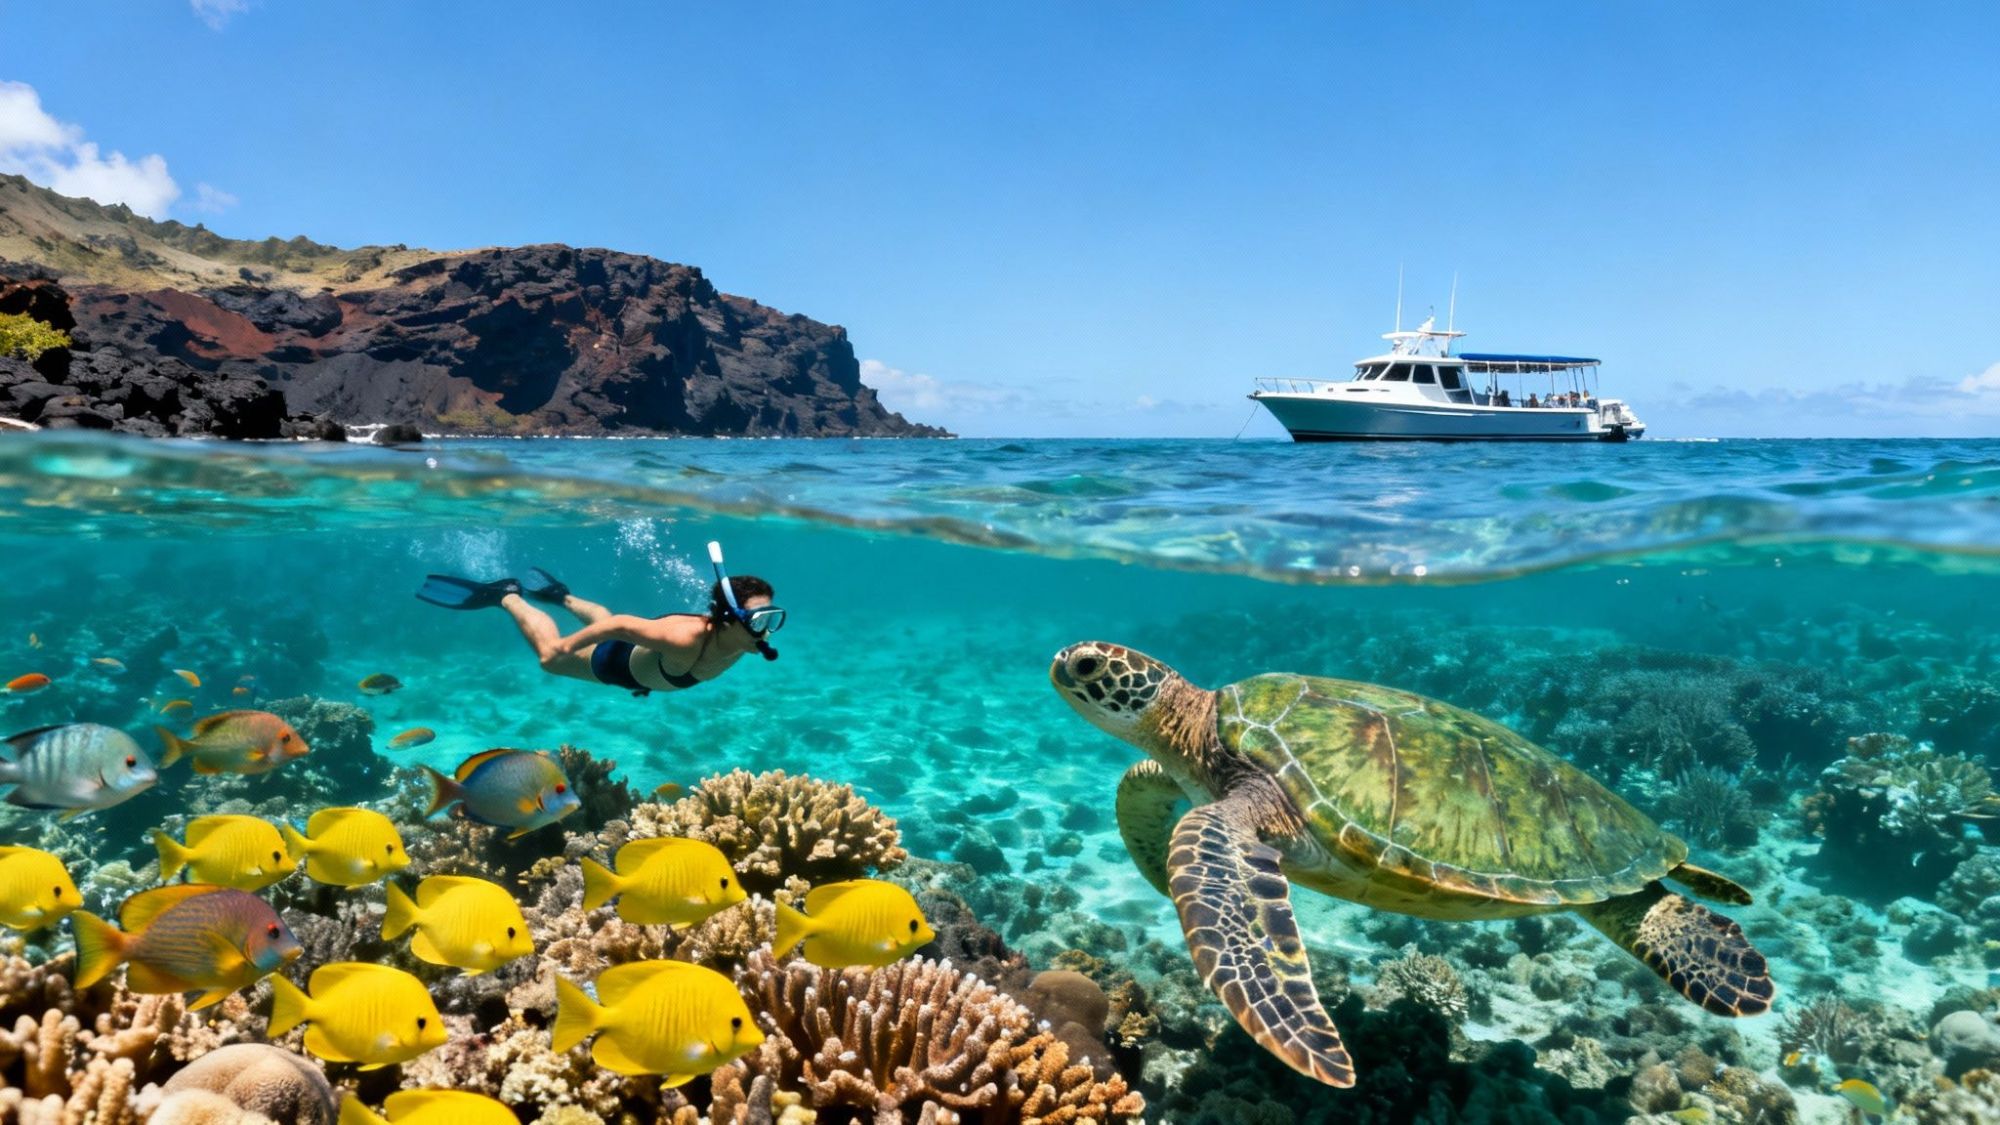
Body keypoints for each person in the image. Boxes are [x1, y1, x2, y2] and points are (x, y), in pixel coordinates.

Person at [415, 544, 783, 696]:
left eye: (770, 617)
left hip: (641, 660)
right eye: (758, 619)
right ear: (729, 619)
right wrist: (567, 645)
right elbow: (619, 625)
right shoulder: (685, 640)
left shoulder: (744, 641)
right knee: (549, 659)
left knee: (604, 623)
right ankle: (506, 595)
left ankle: (560, 596)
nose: (766, 630)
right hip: (614, 662)